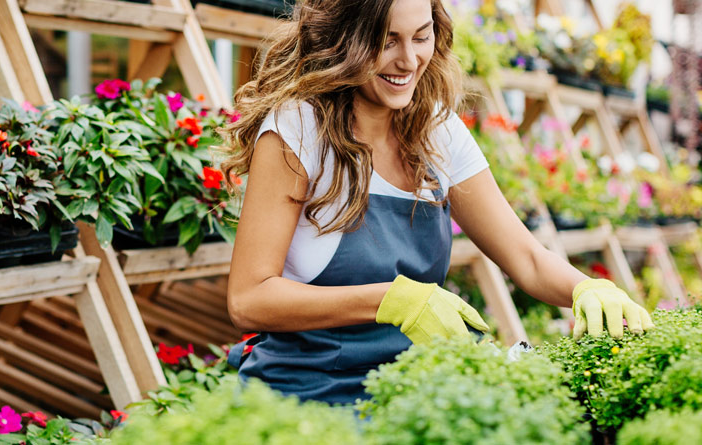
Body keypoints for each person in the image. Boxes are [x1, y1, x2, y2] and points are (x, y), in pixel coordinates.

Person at [219, 0, 654, 406]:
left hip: (411, 390)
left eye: (421, 36)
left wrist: (587, 288)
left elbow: (527, 259)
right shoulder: (298, 129)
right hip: (309, 396)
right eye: (387, 40)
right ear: (345, 38)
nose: (408, 60)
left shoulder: (436, 131)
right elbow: (248, 298)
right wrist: (392, 299)